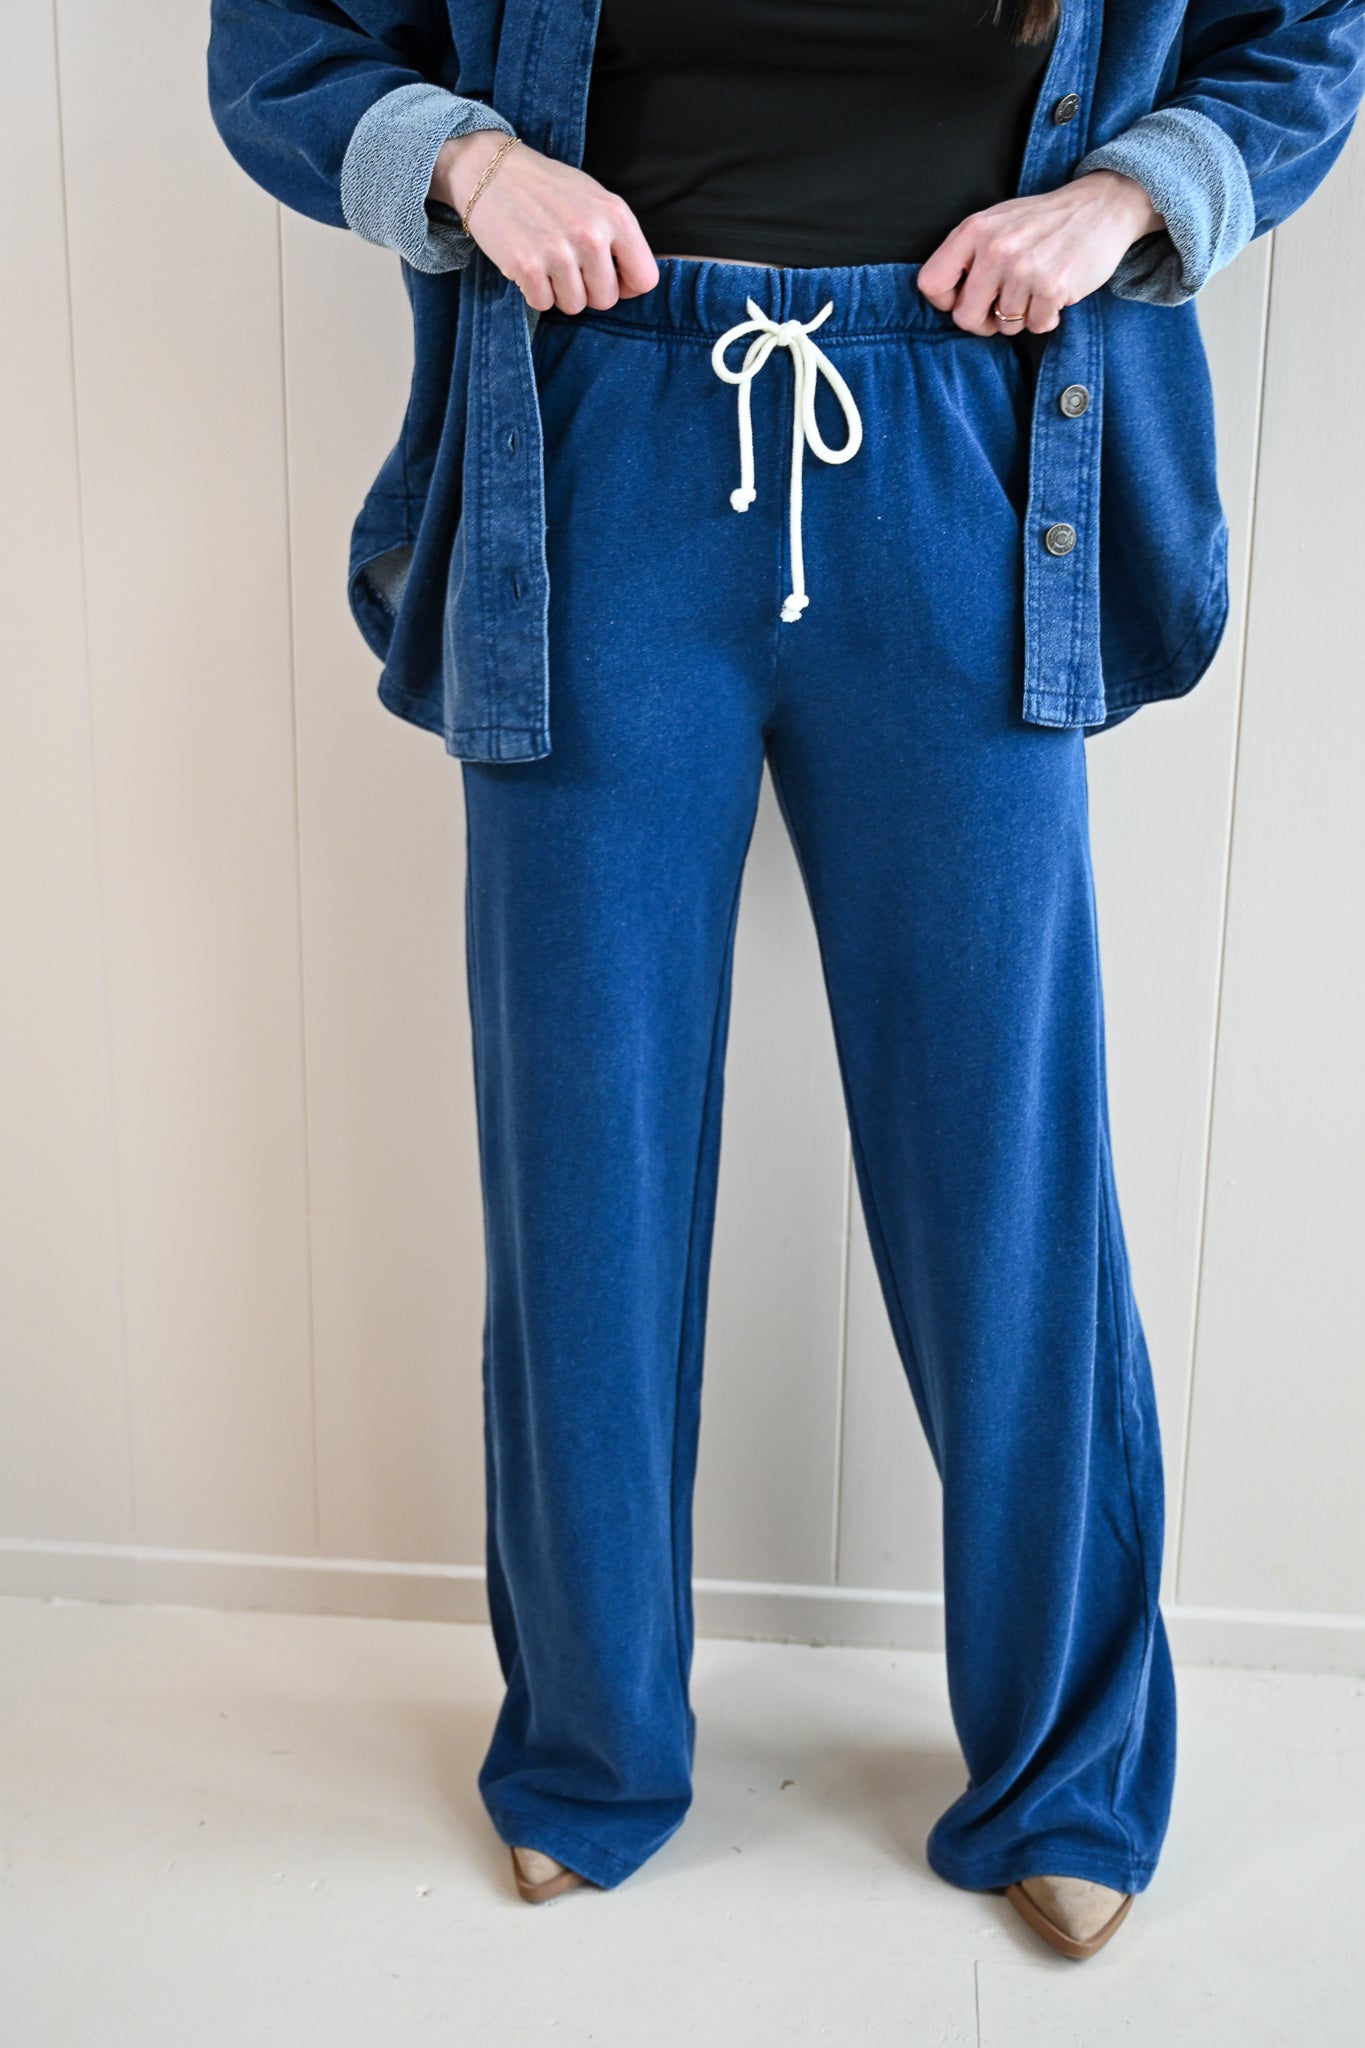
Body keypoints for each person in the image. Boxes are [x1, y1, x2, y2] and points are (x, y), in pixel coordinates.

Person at [207, 0, 1365, 1961]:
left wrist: (1122, 198)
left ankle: (1065, 1772)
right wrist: (471, 163)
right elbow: (276, 45)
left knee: (1001, 1172)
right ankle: (588, 1748)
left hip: (968, 440)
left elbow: (1304, 35)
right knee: (583, 1162)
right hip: (595, 440)